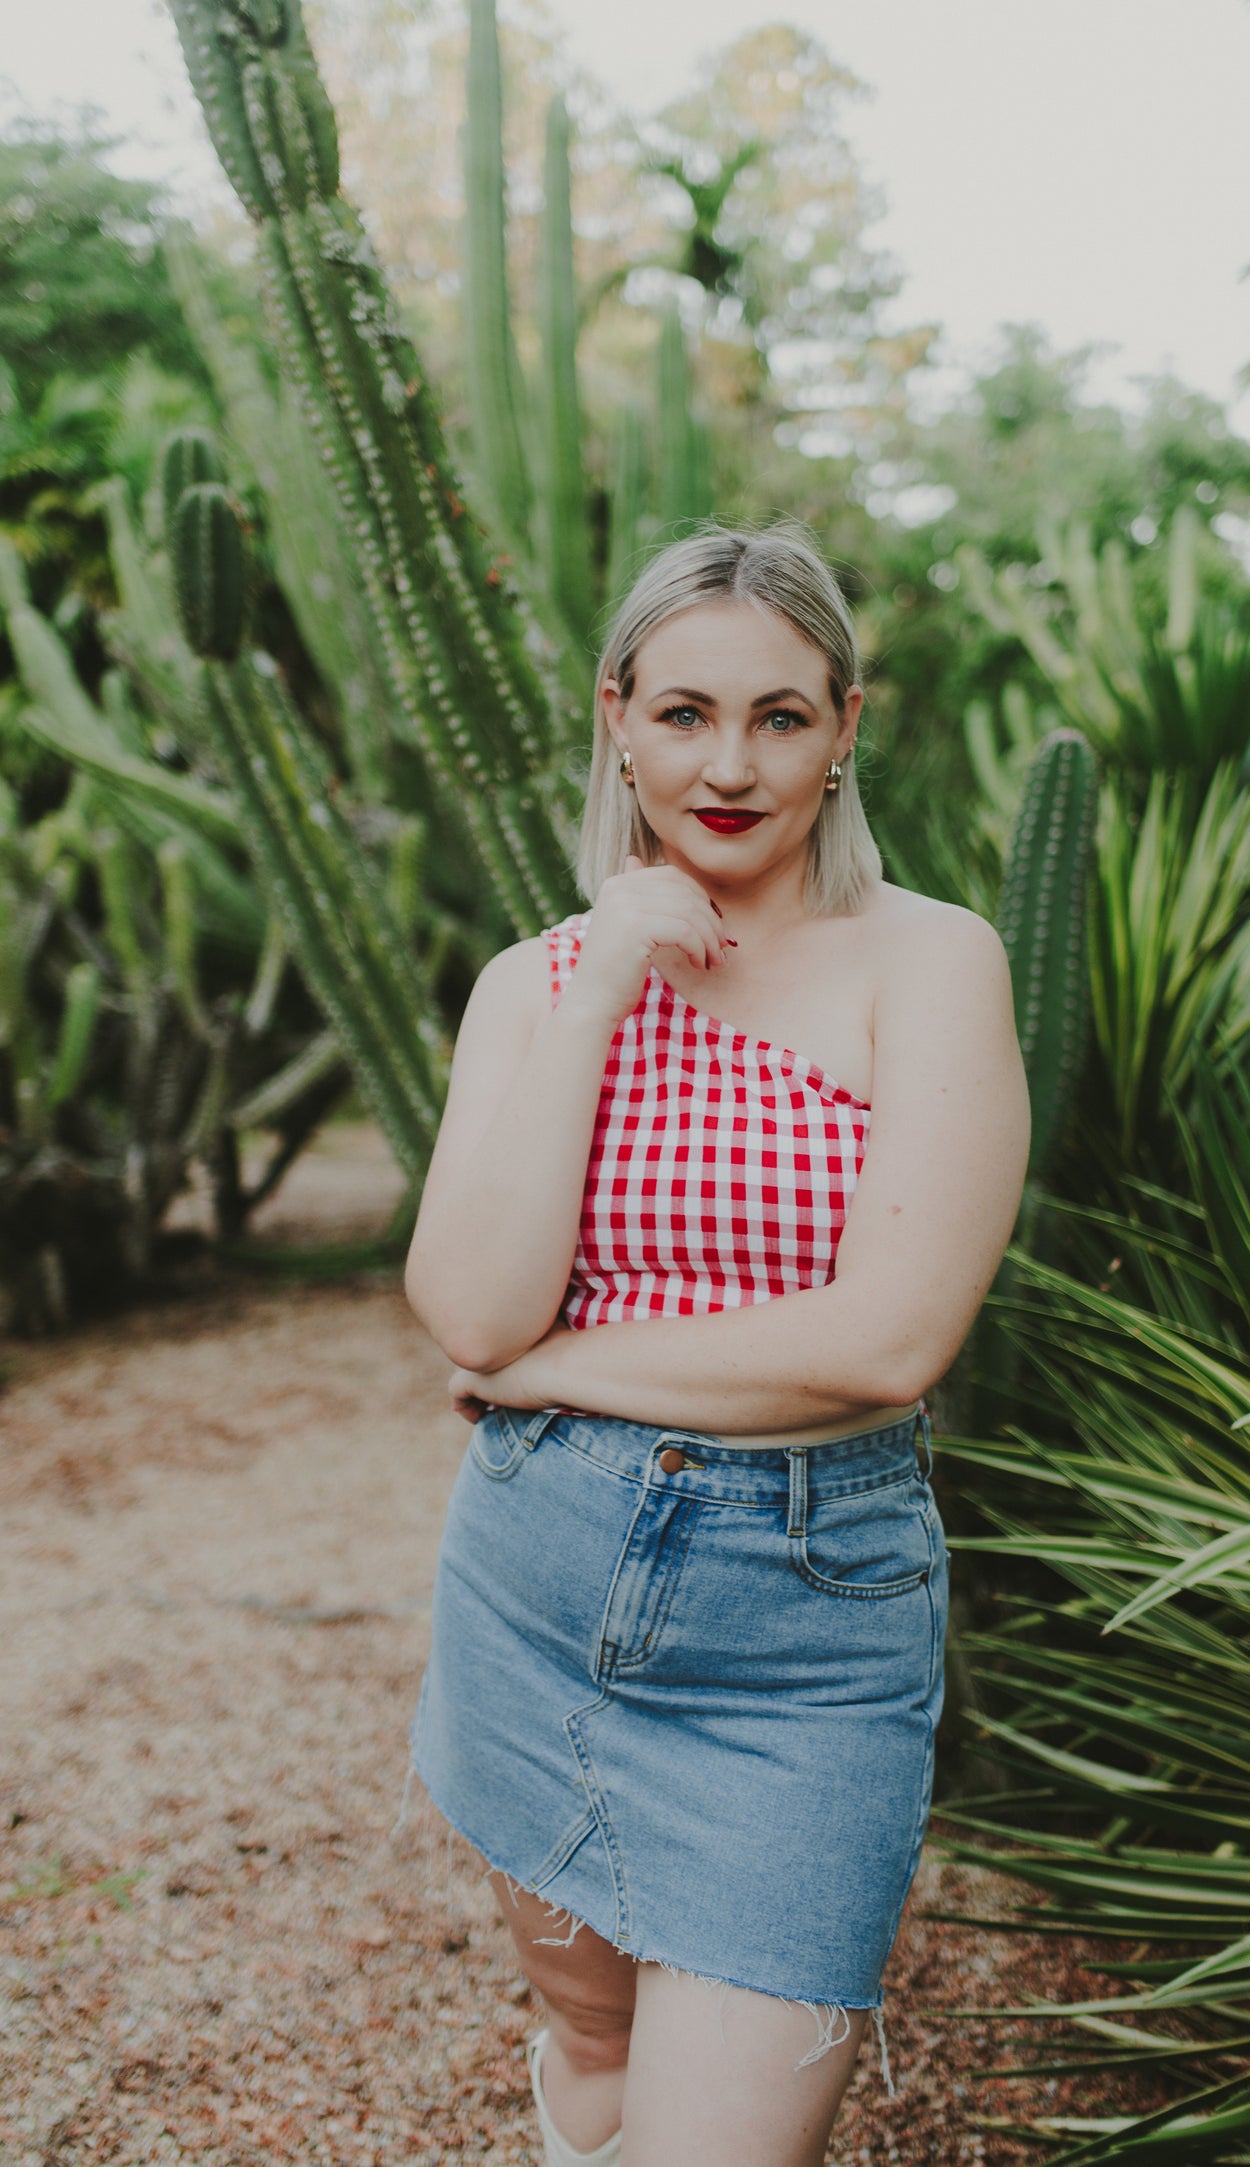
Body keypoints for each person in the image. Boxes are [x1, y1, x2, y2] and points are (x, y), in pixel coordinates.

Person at [403, 522, 1029, 2167]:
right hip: (530, 1589)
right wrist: (606, 969)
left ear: (844, 729)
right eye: (683, 714)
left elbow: (887, 1343)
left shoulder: (932, 961)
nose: (729, 765)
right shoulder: (531, 986)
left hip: (802, 1633)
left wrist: (551, 1372)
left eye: (780, 717)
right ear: (615, 715)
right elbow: (472, 1308)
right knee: (592, 2052)